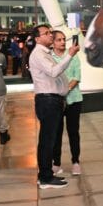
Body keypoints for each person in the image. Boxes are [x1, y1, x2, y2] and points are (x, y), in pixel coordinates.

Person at [28, 24, 80, 189]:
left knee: (48, 140)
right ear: (37, 38)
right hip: (48, 101)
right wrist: (69, 55)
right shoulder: (38, 54)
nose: (50, 35)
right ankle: (45, 178)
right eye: (47, 33)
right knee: (47, 141)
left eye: (51, 32)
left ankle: (46, 175)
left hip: (53, 100)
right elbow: (54, 71)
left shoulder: (45, 53)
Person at [50, 31, 83, 175]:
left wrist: (66, 90)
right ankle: (56, 163)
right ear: (52, 42)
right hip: (55, 100)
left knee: (73, 132)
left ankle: (76, 162)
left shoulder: (73, 56)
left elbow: (77, 77)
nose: (62, 42)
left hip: (73, 99)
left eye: (64, 39)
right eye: (59, 40)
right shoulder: (48, 58)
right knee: (56, 133)